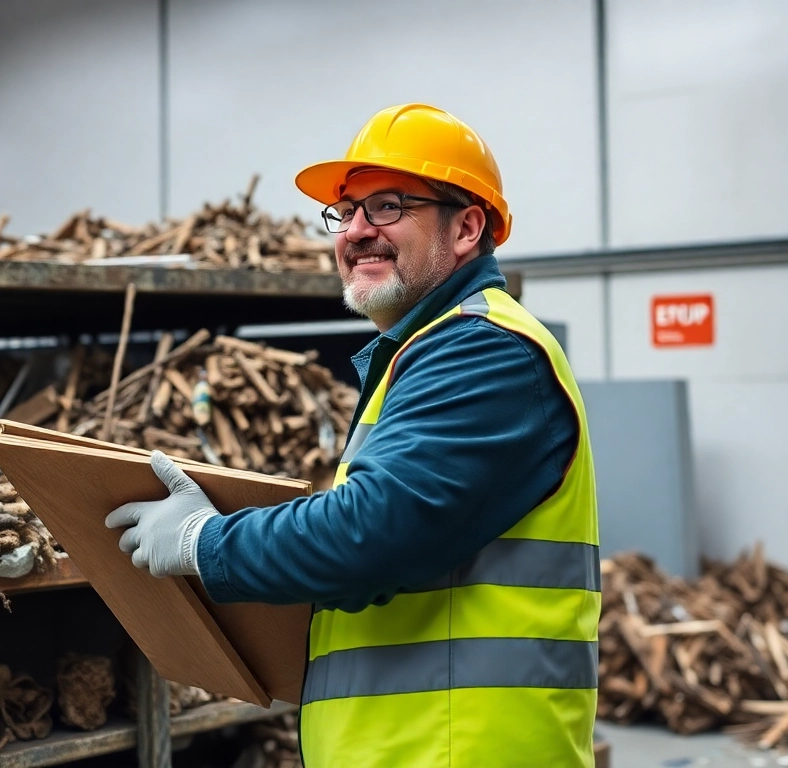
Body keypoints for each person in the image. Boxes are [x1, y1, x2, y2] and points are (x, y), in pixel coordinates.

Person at [105, 103, 599, 767]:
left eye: (389, 206)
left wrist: (206, 542)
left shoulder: (484, 352)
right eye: (346, 212)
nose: (357, 231)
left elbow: (371, 534)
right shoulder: (423, 354)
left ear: (468, 227)